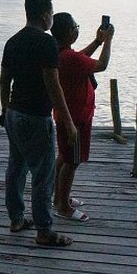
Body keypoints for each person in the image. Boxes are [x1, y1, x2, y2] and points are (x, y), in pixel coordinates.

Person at [0, 0, 77, 247]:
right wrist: (68, 121)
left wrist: (5, 109)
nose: (52, 18)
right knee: (43, 176)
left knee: (16, 168)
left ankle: (16, 219)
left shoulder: (12, 42)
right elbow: (53, 85)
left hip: (14, 114)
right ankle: (44, 232)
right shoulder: (47, 43)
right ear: (45, 16)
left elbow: (4, 80)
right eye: (52, 14)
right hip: (36, 117)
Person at [50, 12, 114, 222]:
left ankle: (59, 198)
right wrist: (108, 42)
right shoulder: (69, 57)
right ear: (70, 32)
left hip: (66, 115)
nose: (78, 29)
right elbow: (101, 65)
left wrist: (97, 40)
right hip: (76, 119)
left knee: (64, 157)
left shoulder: (61, 53)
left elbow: (82, 57)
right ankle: (63, 207)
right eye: (76, 26)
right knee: (72, 162)